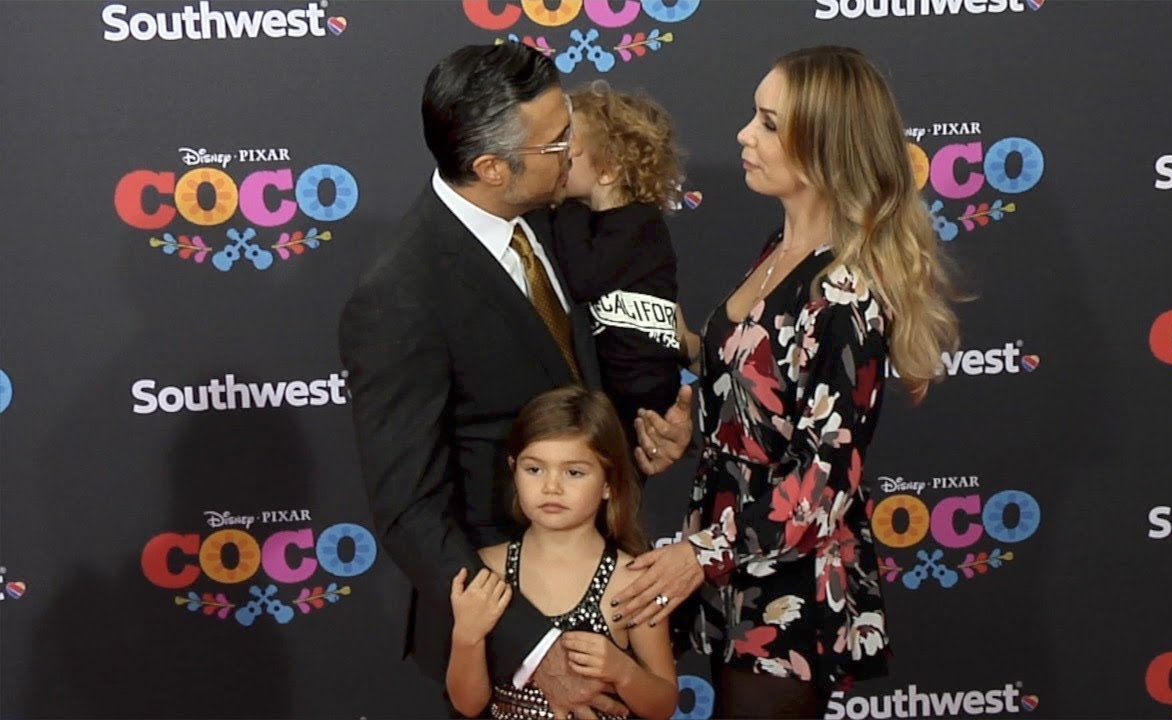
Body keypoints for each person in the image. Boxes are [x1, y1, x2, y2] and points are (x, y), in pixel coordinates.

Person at [337, 43, 691, 720]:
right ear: (491, 167)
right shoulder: (401, 295)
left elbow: (585, 376)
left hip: (611, 593)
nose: (573, 149)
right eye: (557, 142)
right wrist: (533, 649)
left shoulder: (555, 217)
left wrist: (639, 437)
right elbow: (410, 510)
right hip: (508, 640)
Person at [611, 46, 962, 718]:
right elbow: (767, 405)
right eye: (755, 116)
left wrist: (697, 555)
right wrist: (694, 427)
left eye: (769, 124)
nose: (744, 135)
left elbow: (822, 483)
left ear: (825, 147)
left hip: (790, 597)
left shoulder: (844, 292)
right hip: (738, 577)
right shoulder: (780, 251)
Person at [445, 387, 678, 720]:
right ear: (513, 469)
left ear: (609, 482)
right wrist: (467, 637)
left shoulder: (632, 582)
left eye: (574, 472)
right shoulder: (487, 569)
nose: (551, 487)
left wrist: (624, 672)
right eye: (534, 469)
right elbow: (468, 704)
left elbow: (663, 705)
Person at [549, 81, 685, 447]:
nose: (558, 155)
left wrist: (565, 205)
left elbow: (583, 278)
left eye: (568, 146)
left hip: (640, 401)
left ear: (607, 169)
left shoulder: (640, 224)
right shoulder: (597, 224)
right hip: (611, 395)